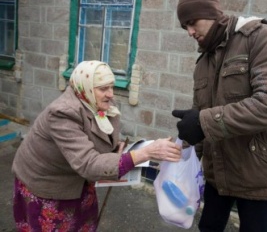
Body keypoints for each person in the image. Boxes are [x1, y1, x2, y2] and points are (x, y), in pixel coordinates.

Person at [172, 0, 267, 232]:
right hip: (218, 174)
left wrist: (203, 121)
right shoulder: (203, 63)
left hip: (260, 176)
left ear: (210, 13)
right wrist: (183, 155)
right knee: (208, 227)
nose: (189, 32)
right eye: (184, 27)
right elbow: (200, 118)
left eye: (192, 23)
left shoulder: (260, 38)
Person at [12, 60, 181, 231]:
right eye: (103, 88)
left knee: (84, 223)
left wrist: (118, 151)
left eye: (111, 86)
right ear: (84, 87)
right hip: (48, 182)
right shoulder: (63, 113)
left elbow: (99, 140)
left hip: (78, 179)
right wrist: (145, 153)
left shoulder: (96, 102)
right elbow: (88, 163)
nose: (111, 94)